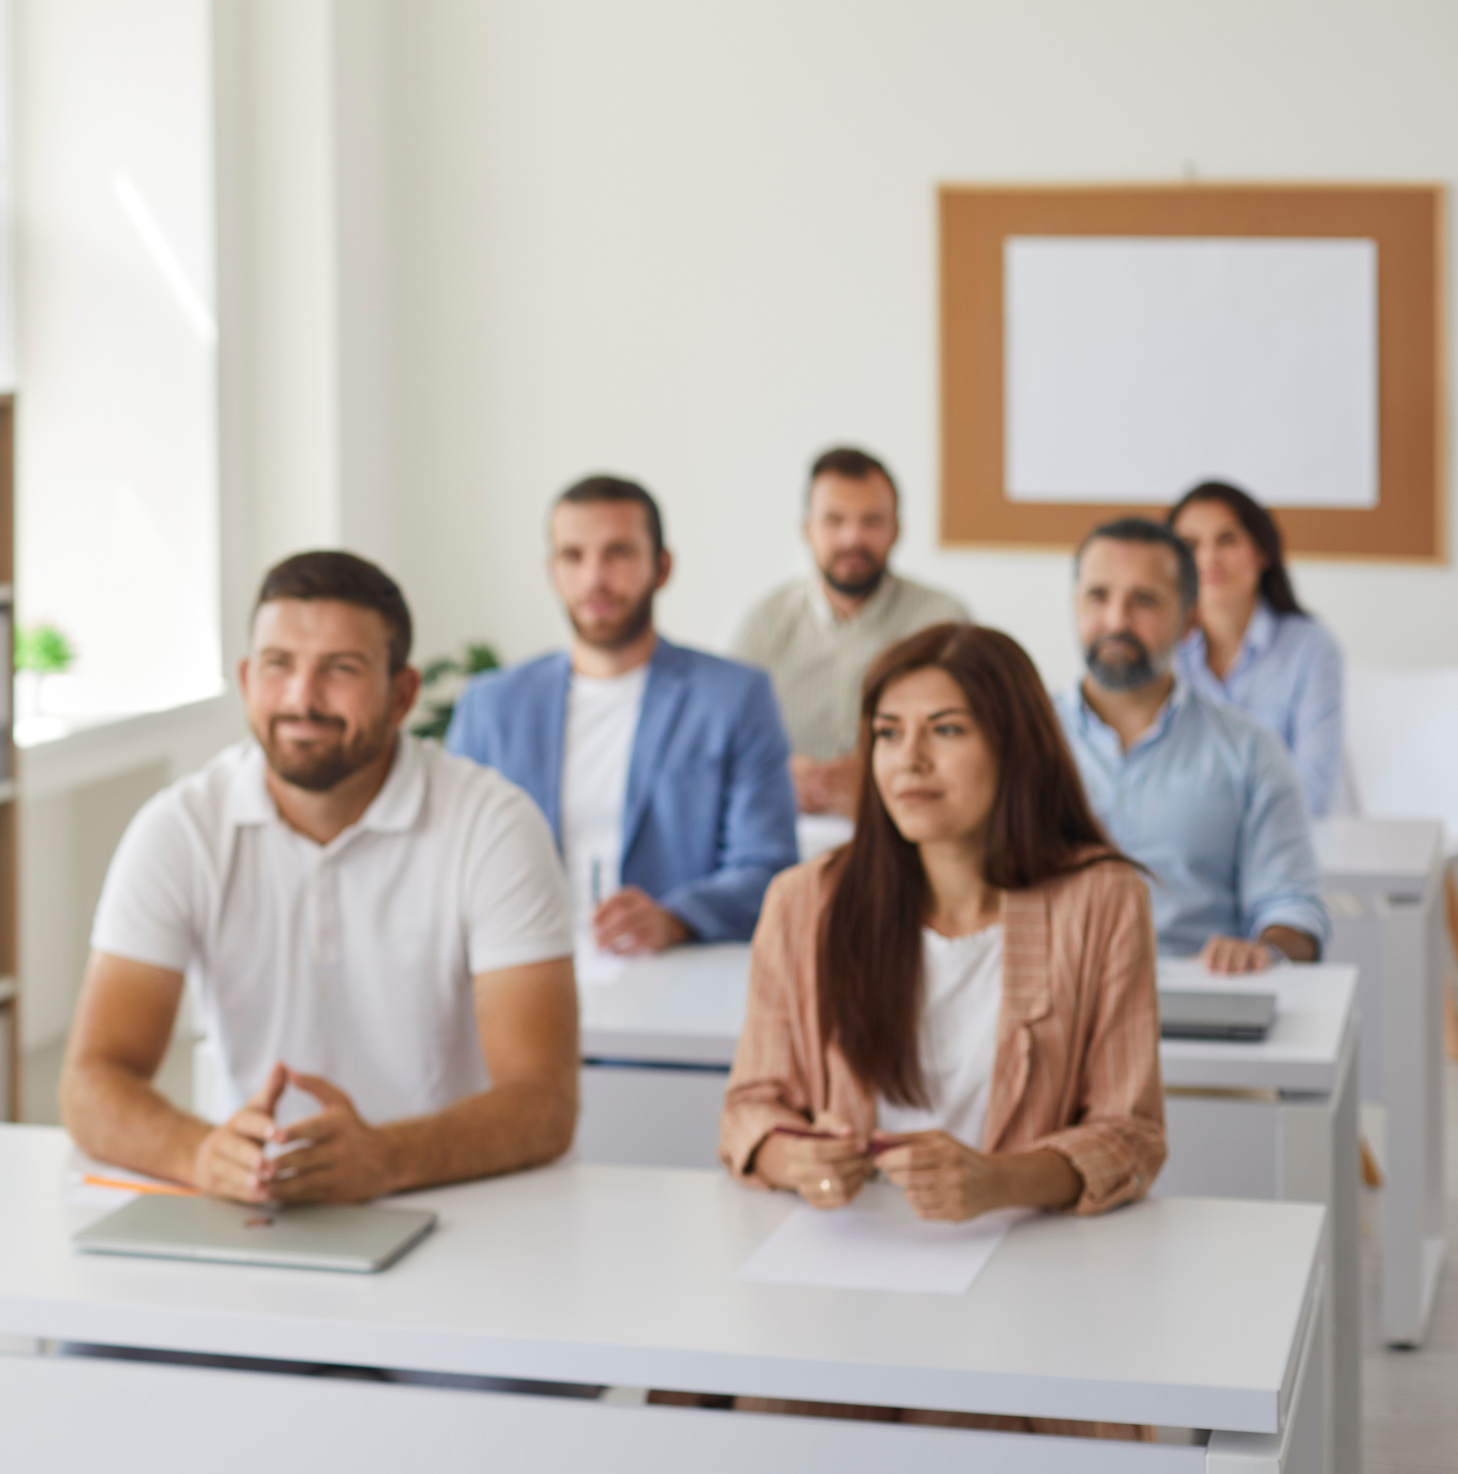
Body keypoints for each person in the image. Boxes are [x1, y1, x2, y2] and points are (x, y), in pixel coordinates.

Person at [720, 623, 1163, 1440]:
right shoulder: (804, 900)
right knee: (773, 1420)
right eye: (888, 734)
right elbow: (749, 1106)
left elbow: (1129, 1136)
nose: (907, 761)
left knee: (961, 1417)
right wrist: (795, 1157)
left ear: (1014, 746)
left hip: (1028, 1269)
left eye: (945, 730)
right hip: (843, 1268)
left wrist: (996, 1180)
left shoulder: (1101, 900)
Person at [59, 551, 578, 1205]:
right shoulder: (180, 828)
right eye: (278, 666)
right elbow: (91, 1081)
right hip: (257, 1201)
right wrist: (199, 1152)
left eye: (341, 670)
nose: (301, 698)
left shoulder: (493, 826)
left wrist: (385, 1159)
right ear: (247, 680)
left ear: (403, 694)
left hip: (452, 1199)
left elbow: (544, 1102)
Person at [449, 475, 797, 952]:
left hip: (673, 974)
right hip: (516, 969)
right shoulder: (491, 705)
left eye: (619, 553)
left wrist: (676, 918)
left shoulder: (735, 697)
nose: (595, 578)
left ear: (662, 566)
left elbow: (769, 867)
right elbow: (448, 863)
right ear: (552, 571)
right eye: (573, 556)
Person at [1060, 518, 1327, 974]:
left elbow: (1292, 908)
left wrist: (1264, 952)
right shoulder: (1017, 739)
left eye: (1143, 601)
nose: (1116, 620)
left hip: (1195, 1001)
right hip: (1050, 999)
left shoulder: (1250, 750)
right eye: (1098, 596)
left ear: (1189, 620)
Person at [730, 446, 969, 817]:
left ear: (896, 530)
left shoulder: (943, 621)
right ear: (807, 530)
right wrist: (772, 776)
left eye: (871, 521)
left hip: (905, 830)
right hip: (785, 832)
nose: (852, 538)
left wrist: (883, 777)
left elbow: (970, 746)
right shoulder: (763, 623)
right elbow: (720, 746)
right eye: (834, 520)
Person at [1167, 480, 1347, 816]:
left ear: (1262, 551)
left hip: (1280, 848)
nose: (1208, 558)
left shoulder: (1311, 649)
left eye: (1227, 539)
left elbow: (1312, 792)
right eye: (1190, 544)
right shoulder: (1161, 650)